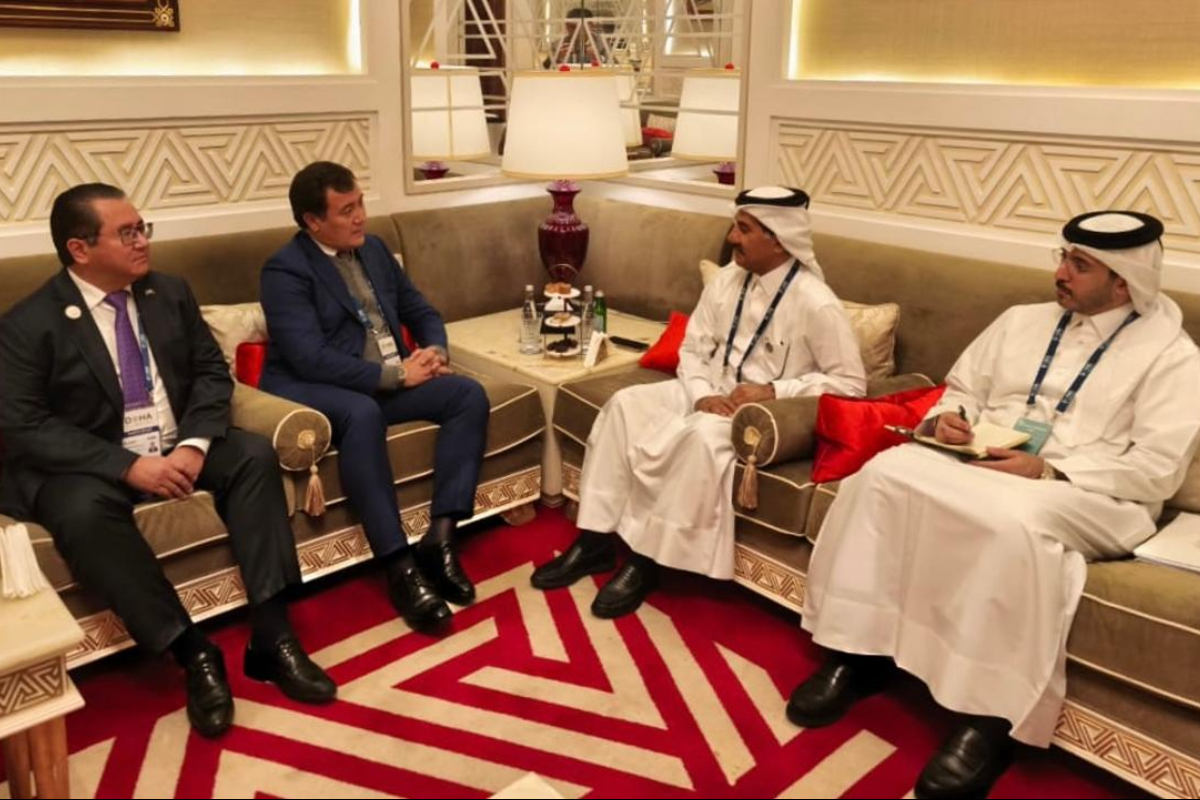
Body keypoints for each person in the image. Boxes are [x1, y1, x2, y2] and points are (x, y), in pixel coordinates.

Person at [789, 211, 1200, 799]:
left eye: (1079, 265)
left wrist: (1047, 468)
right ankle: (859, 652)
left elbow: (1157, 467)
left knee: (1009, 525)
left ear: (1122, 283)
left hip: (1093, 490)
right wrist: (949, 421)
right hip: (981, 462)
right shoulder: (1020, 320)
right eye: (1062, 258)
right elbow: (961, 390)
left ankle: (990, 716)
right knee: (881, 477)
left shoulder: (1173, 357)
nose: (1060, 274)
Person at [0, 183, 336, 739]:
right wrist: (126, 465)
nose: (142, 242)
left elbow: (210, 373)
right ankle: (193, 652)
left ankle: (273, 637)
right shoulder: (29, 323)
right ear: (80, 250)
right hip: (93, 462)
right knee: (79, 513)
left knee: (252, 455)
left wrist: (193, 445)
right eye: (126, 233)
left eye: (142, 228)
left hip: (177, 441)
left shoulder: (169, 292)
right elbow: (24, 424)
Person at [530, 186, 867, 617]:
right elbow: (691, 349)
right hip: (706, 389)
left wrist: (774, 391)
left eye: (743, 229)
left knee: (700, 439)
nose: (731, 238)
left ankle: (646, 562)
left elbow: (851, 384)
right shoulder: (727, 280)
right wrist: (703, 393)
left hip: (758, 415)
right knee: (624, 406)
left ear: (780, 240)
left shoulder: (816, 303)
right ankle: (594, 541)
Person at [259, 161, 489, 634]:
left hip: (385, 377)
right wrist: (397, 376)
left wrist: (434, 352)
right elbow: (310, 358)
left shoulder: (375, 248)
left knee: (467, 394)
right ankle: (399, 566)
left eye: (360, 203)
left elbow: (421, 310)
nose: (360, 216)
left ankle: (441, 538)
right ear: (313, 221)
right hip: (314, 387)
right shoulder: (285, 270)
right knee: (362, 413)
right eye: (346, 210)